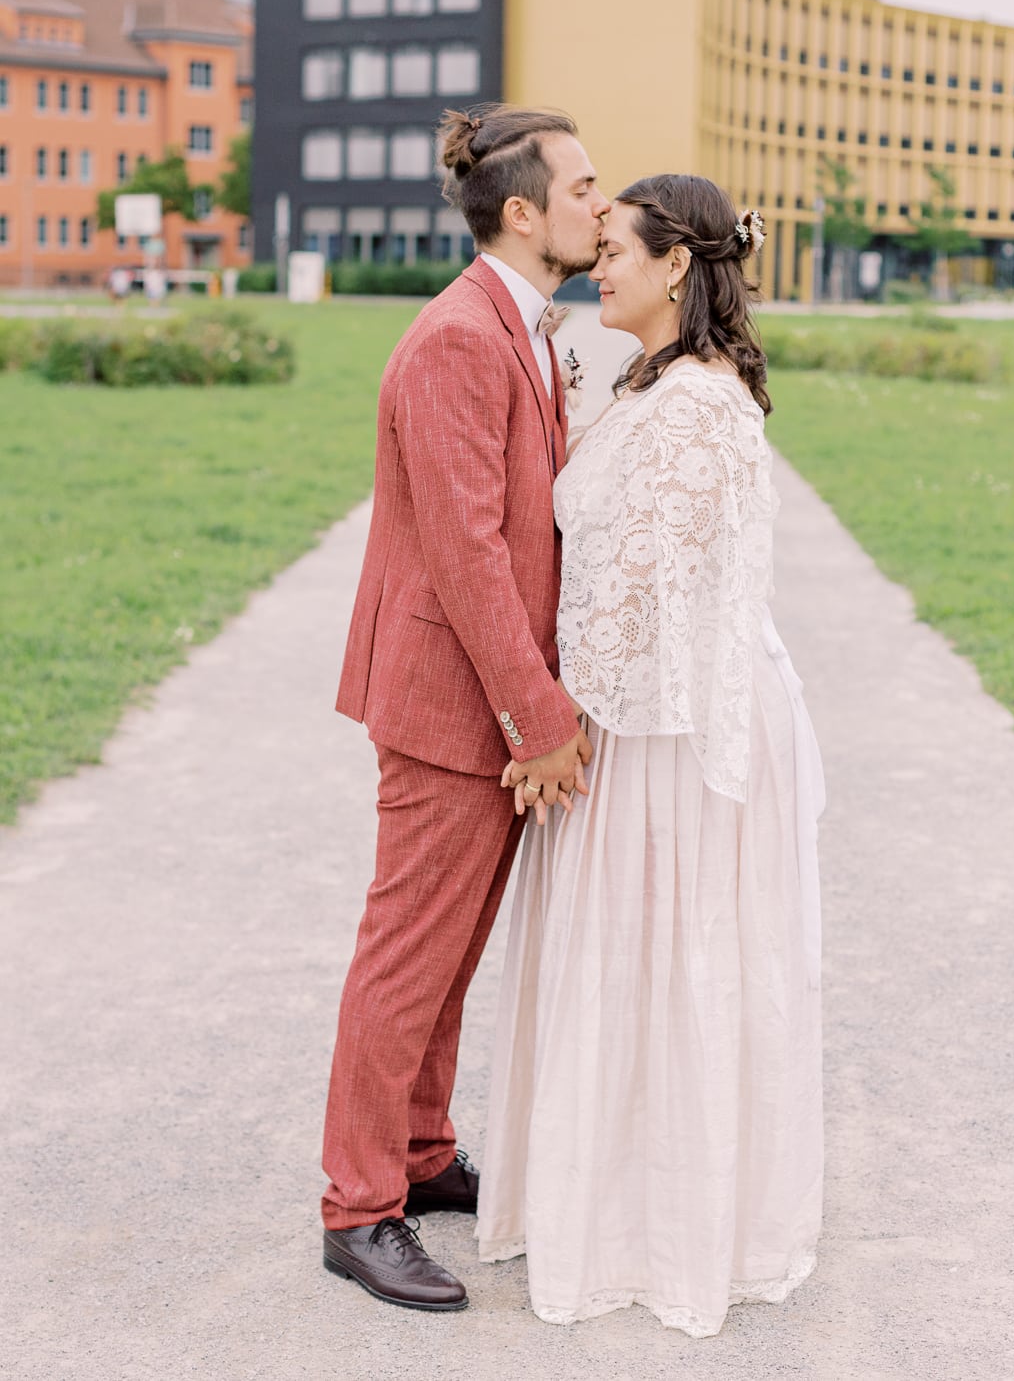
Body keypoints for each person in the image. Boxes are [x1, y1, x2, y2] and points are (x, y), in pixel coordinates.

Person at [478, 175, 827, 1338]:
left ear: (678, 265)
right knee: (630, 964)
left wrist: (555, 731)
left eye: (619, 249)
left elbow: (637, 592)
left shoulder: (695, 408)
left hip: (665, 728)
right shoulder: (649, 381)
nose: (598, 267)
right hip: (633, 713)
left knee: (667, 961)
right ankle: (619, 1195)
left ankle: (655, 1225)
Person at [321, 104, 609, 1312]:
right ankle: (358, 1208)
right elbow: (467, 552)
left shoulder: (524, 324)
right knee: (406, 957)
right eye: (586, 187)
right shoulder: (456, 340)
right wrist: (537, 716)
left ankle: (423, 1155)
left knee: (452, 953)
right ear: (523, 211)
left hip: (483, 705)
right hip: (451, 705)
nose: (605, 203)